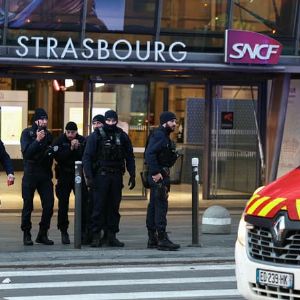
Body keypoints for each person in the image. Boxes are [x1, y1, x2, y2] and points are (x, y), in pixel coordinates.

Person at [83, 110, 136, 247]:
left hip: (116, 176)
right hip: (101, 176)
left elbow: (129, 156)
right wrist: (89, 177)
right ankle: (96, 235)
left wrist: (132, 174)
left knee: (114, 207)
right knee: (98, 207)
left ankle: (111, 235)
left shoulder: (122, 136)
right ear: (105, 121)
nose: (111, 123)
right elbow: (87, 157)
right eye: (108, 121)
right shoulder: (96, 136)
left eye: (113, 121)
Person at [145, 111, 180, 251]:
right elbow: (150, 153)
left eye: (175, 122)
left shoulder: (161, 135)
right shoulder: (160, 135)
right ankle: (161, 239)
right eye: (172, 121)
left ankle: (152, 238)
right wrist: (156, 173)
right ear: (165, 122)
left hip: (159, 175)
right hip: (159, 176)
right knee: (160, 206)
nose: (175, 124)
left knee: (154, 206)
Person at [20, 108, 54, 246]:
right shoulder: (27, 133)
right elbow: (27, 153)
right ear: (36, 120)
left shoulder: (49, 135)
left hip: (45, 174)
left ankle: (43, 233)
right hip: (30, 173)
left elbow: (51, 152)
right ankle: (26, 233)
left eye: (46, 119)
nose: (45, 121)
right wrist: (38, 141)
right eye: (42, 119)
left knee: (49, 204)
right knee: (28, 205)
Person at [52, 121, 87, 244]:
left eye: (73, 132)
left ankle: (83, 231)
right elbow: (58, 157)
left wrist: (77, 148)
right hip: (64, 175)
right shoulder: (60, 141)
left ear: (77, 132)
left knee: (83, 203)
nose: (71, 135)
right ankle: (63, 231)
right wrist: (71, 149)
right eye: (68, 132)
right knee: (63, 204)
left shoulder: (82, 140)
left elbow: (85, 156)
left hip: (78, 175)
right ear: (65, 131)